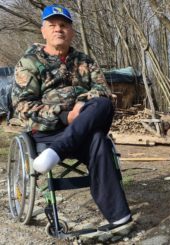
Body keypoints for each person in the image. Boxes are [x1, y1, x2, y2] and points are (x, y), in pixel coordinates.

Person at [11, 4, 131, 230]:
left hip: (77, 129)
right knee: (98, 140)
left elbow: (102, 90)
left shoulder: (84, 61)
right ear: (43, 31)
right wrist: (66, 116)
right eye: (52, 25)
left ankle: (118, 219)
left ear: (72, 32)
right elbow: (23, 107)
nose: (58, 29)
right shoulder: (29, 63)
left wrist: (82, 106)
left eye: (64, 25)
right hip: (48, 132)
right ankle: (119, 215)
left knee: (104, 104)